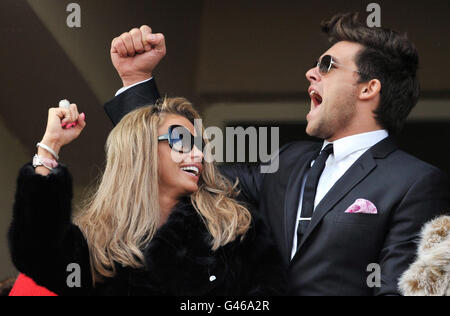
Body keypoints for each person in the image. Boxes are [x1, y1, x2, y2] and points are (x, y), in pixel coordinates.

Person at [104, 13, 450, 295]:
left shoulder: (416, 182)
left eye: (328, 65)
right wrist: (137, 81)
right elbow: (184, 172)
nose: (311, 73)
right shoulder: (287, 162)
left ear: (368, 88)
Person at [8, 98, 286, 296]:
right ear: (141, 151)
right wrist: (50, 147)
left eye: (200, 145)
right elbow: (36, 248)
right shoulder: (92, 243)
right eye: (181, 141)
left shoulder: (233, 231)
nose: (198, 154)